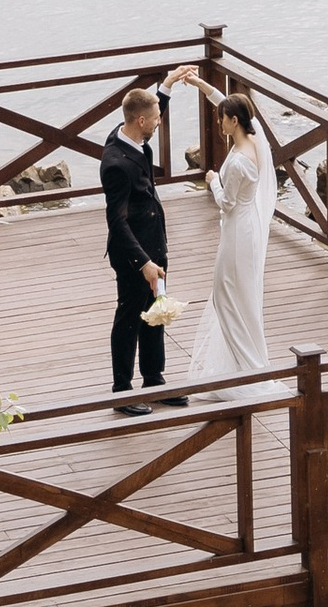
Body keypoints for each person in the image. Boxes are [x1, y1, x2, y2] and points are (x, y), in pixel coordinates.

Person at [168, 78, 273, 387]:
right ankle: (241, 364)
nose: (219, 123)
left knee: (225, 296)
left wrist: (213, 180)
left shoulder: (240, 161)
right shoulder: (255, 138)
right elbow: (224, 100)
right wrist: (200, 83)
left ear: (234, 120)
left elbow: (227, 202)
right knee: (240, 295)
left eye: (222, 119)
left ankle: (247, 366)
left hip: (238, 230)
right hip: (246, 225)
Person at [101, 79, 177, 405]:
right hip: (133, 254)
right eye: (157, 119)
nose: (160, 122)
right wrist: (143, 262)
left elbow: (147, 109)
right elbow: (116, 222)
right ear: (142, 121)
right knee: (129, 317)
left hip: (155, 243)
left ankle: (154, 379)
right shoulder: (115, 164)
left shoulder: (131, 133)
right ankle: (122, 389)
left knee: (155, 312)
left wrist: (167, 87)